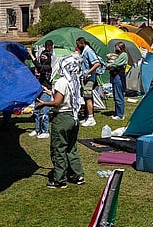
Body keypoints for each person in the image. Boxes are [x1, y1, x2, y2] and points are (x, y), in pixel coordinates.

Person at [36, 55, 85, 188]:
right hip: (73, 117)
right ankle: (77, 175)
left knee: (59, 149)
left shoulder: (62, 81)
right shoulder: (75, 80)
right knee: (71, 148)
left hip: (62, 118)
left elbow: (58, 101)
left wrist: (44, 103)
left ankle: (59, 179)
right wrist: (49, 91)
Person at [28, 48, 53, 139]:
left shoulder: (47, 67)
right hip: (38, 91)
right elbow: (29, 69)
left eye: (44, 57)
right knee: (36, 111)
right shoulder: (36, 67)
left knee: (44, 112)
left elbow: (40, 68)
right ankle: (37, 129)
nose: (42, 58)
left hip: (46, 92)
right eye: (41, 56)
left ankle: (45, 131)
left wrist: (31, 55)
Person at [75, 37, 100, 127]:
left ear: (82, 43)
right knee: (86, 97)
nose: (77, 47)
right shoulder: (84, 51)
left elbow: (97, 64)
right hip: (85, 78)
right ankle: (87, 116)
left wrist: (87, 73)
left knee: (88, 97)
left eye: (78, 45)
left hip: (89, 78)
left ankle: (90, 118)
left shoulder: (89, 51)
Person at [106, 42, 128, 120]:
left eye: (117, 47)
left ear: (121, 47)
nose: (116, 49)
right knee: (116, 96)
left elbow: (116, 64)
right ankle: (117, 112)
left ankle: (120, 114)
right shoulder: (119, 55)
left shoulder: (123, 55)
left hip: (119, 76)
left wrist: (109, 66)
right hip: (115, 76)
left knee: (119, 96)